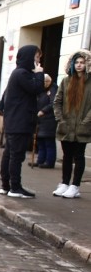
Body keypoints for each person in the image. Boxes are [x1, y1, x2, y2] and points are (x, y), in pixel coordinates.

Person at [0, 44, 45, 198]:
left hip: (15, 121)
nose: (38, 61)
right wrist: (39, 73)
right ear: (29, 57)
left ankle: (6, 186)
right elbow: (36, 88)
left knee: (10, 155)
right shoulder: (22, 73)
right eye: (37, 57)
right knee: (16, 156)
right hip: (20, 122)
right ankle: (14, 187)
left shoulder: (18, 73)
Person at [53, 50, 91, 198]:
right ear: (72, 64)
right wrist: (60, 119)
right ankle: (64, 183)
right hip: (66, 126)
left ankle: (75, 186)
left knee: (79, 156)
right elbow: (57, 102)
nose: (79, 65)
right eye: (77, 62)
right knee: (67, 156)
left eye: (82, 62)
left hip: (83, 127)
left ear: (87, 63)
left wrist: (85, 122)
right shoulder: (66, 81)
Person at [34, 74, 56, 168]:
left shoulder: (53, 89)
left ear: (49, 81)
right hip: (40, 120)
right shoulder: (41, 90)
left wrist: (43, 110)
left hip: (49, 120)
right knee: (40, 142)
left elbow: (53, 103)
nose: (44, 84)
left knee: (48, 142)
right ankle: (40, 160)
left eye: (45, 82)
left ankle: (49, 162)